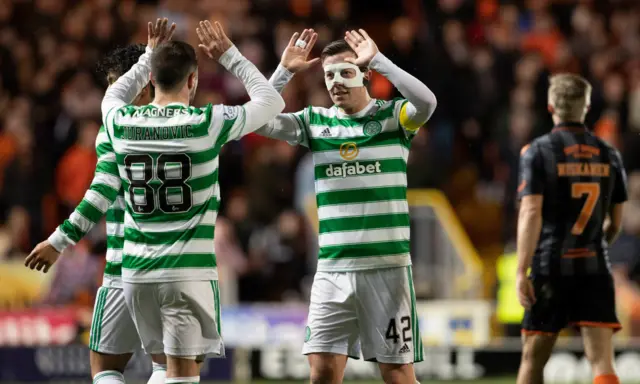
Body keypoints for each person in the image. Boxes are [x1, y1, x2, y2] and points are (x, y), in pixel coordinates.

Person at [99, 19, 284, 384]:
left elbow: (114, 95)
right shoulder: (207, 123)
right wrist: (230, 55)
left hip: (135, 274)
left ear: (151, 80)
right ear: (193, 80)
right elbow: (271, 101)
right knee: (182, 376)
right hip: (185, 273)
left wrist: (148, 53)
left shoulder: (120, 121)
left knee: (161, 371)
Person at [255, 28, 437, 384]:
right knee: (321, 371)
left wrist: (381, 60)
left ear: (365, 73)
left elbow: (428, 103)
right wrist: (284, 72)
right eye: (329, 75)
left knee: (398, 375)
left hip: (387, 270)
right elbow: (258, 120)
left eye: (346, 72)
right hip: (332, 271)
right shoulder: (315, 123)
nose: (336, 82)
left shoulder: (393, 118)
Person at [25, 39, 171, 384]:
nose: (110, 92)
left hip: (126, 265)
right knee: (169, 367)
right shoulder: (190, 125)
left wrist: (58, 241)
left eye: (114, 82)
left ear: (141, 83)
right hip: (175, 265)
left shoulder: (116, 129)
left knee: (105, 368)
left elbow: (101, 194)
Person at [515, 73, 628, 384]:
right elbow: (616, 222)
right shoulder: (609, 154)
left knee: (533, 360)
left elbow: (531, 210)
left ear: (551, 106)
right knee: (602, 362)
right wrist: (595, 243)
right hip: (594, 266)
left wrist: (521, 269)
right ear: (587, 106)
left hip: (550, 265)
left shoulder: (537, 151)